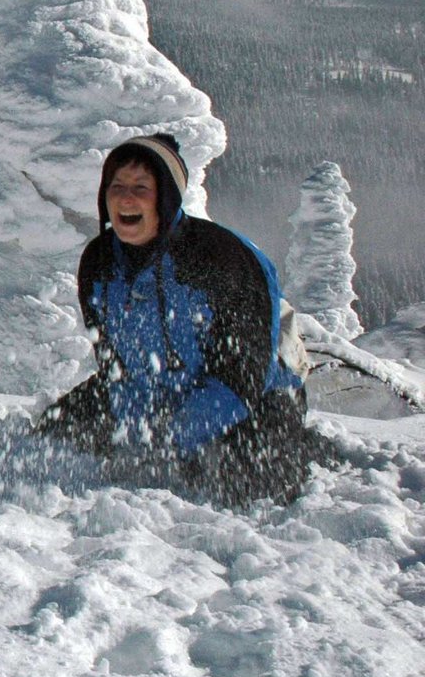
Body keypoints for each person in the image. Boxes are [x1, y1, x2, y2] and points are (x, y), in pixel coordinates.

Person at [37, 134, 312, 506]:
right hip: (156, 398)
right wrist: (137, 432)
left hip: (252, 400)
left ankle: (306, 446)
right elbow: (114, 366)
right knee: (46, 443)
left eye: (141, 187)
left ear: (166, 198)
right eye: (116, 186)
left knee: (252, 491)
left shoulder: (220, 258)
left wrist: (173, 436)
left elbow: (244, 375)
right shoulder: (99, 263)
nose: (126, 198)